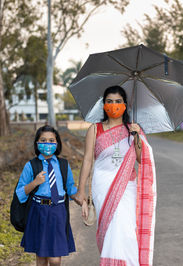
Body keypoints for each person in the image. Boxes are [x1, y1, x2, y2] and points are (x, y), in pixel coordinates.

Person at [76, 86, 156, 266]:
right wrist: (81, 191)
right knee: (111, 228)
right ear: (104, 105)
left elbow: (142, 160)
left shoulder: (133, 129)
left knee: (126, 229)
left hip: (128, 186)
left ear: (125, 105)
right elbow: (87, 160)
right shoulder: (94, 129)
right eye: (109, 102)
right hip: (102, 185)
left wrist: (137, 136)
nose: (114, 105)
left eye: (118, 101)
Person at [16, 125, 78, 266]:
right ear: (37, 143)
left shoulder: (63, 164)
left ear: (57, 143)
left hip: (58, 211)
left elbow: (70, 188)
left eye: (51, 140)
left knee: (55, 260)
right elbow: (20, 193)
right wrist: (35, 182)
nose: (47, 144)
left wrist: (83, 201)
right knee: (42, 258)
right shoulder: (31, 165)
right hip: (39, 212)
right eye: (43, 140)